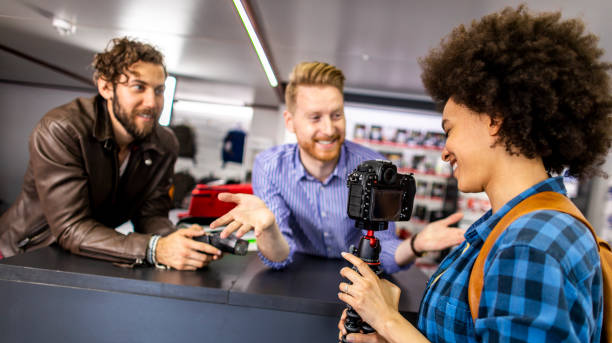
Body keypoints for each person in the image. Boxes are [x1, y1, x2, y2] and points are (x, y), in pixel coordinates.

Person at [337, 6, 611, 343]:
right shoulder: (514, 227)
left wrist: (392, 323)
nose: (444, 151)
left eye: (449, 129)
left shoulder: (530, 244)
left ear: (494, 119)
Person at [210, 61, 465, 273]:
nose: (329, 129)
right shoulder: (269, 167)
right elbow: (280, 255)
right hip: (297, 275)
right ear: (290, 121)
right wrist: (268, 228)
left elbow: (383, 251)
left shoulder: (374, 167)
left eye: (336, 115)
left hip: (358, 275)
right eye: (315, 118)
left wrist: (416, 243)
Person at [0, 37, 221, 270]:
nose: (152, 102)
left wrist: (179, 242)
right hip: (23, 256)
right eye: (139, 87)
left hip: (85, 255)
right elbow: (70, 227)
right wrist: (156, 249)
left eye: (159, 90)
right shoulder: (63, 130)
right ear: (106, 87)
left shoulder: (164, 144)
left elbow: (152, 214)